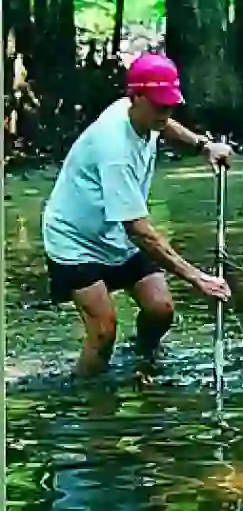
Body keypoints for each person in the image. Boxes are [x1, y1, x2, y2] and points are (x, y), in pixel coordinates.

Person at [41, 52, 233, 378]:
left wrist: (203, 146)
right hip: (76, 241)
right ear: (136, 97)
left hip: (113, 234)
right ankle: (84, 401)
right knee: (103, 333)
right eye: (159, 105)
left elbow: (164, 126)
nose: (166, 112)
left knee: (161, 311)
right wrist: (197, 277)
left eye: (170, 104)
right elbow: (139, 230)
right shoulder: (114, 148)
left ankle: (141, 362)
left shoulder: (141, 114)